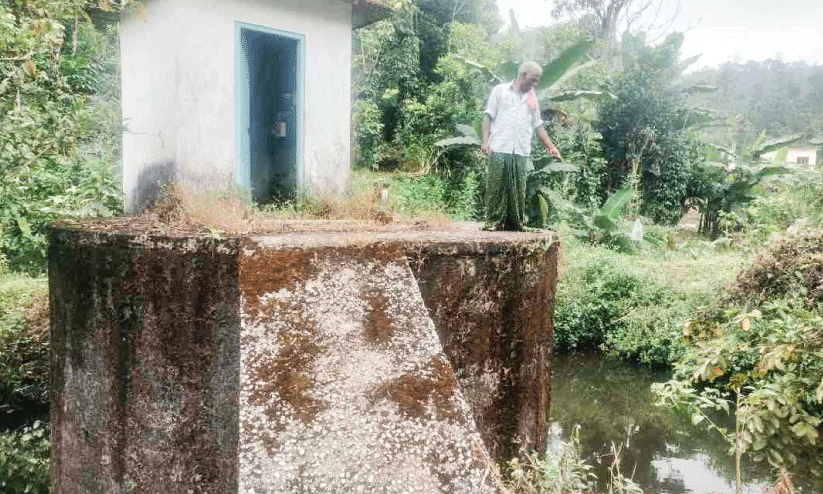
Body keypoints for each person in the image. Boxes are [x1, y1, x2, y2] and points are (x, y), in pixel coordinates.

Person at [481, 61, 562, 231]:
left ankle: (515, 223)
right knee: (496, 187)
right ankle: (493, 222)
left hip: (521, 149)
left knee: (518, 189)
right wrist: (485, 141)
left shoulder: (532, 98)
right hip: (500, 146)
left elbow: (538, 126)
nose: (536, 84)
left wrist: (551, 147)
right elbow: (488, 116)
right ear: (524, 75)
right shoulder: (500, 91)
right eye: (534, 79)